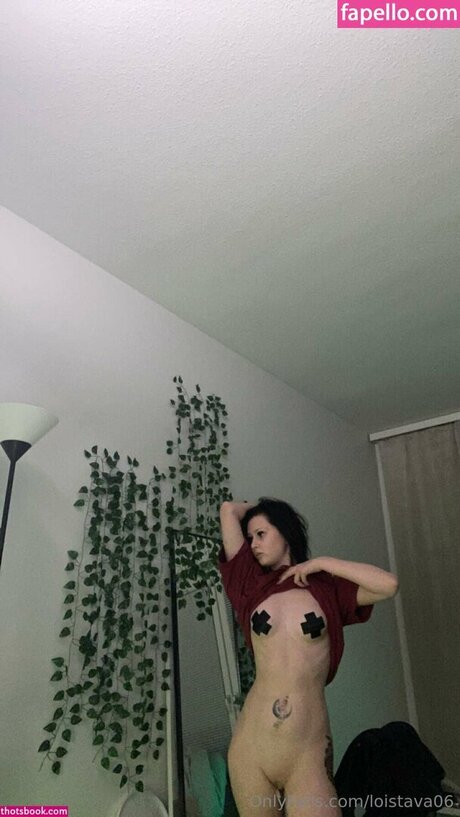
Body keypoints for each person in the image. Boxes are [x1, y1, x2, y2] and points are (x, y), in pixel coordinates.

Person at [218, 498, 399, 817]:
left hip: (307, 754)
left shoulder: (327, 589)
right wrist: (254, 508)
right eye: (250, 538)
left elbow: (388, 585)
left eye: (261, 534)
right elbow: (228, 510)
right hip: (251, 749)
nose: (254, 544)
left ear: (286, 532)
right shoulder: (250, 586)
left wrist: (323, 563)